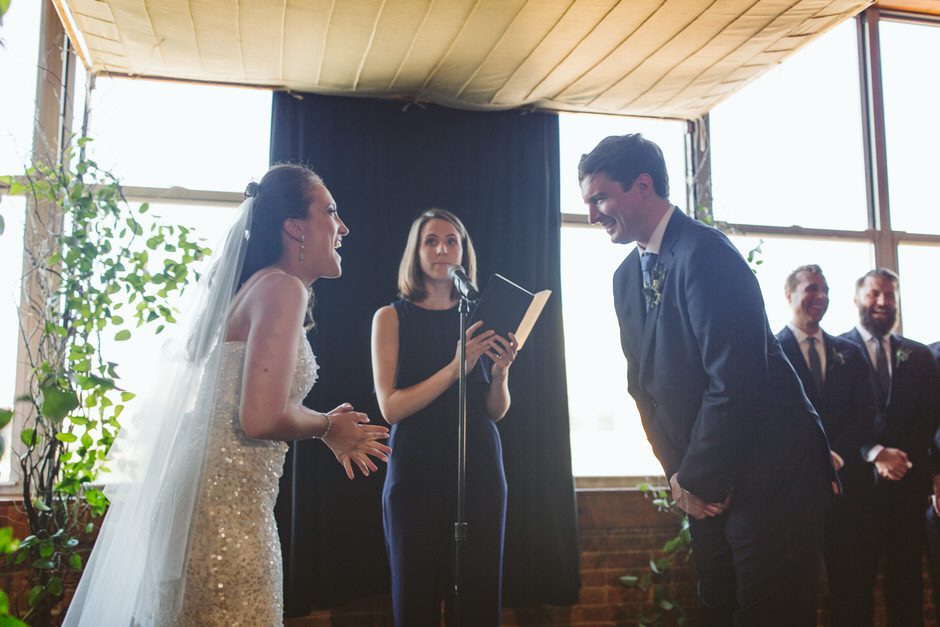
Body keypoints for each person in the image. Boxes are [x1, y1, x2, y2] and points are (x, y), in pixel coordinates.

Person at [64, 164, 392, 626]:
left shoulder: (257, 287)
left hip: (207, 499)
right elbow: (259, 418)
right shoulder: (282, 287)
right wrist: (326, 427)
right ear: (295, 227)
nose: (343, 227)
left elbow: (249, 405)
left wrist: (324, 423)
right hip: (224, 510)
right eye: (330, 212)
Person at [579, 134, 834, 627]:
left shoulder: (706, 252)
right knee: (716, 609)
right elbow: (643, 388)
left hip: (772, 477)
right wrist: (680, 478)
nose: (592, 215)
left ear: (643, 186)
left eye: (600, 198)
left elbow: (735, 380)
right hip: (704, 482)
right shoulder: (625, 276)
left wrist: (698, 479)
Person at [371, 208, 517, 627]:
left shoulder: (480, 318)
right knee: (414, 598)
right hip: (415, 469)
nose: (442, 250)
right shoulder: (391, 317)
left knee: (477, 600)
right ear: (415, 252)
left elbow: (495, 411)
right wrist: (456, 368)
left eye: (452, 241)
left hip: (479, 468)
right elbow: (390, 407)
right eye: (431, 241)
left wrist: (501, 374)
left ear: (463, 252)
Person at [775, 264, 879, 626]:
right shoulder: (770, 351)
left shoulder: (849, 352)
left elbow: (865, 412)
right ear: (789, 295)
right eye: (811, 289)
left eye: (825, 290)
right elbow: (771, 419)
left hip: (847, 489)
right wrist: (816, 459)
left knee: (853, 587)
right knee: (794, 590)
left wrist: (836, 454)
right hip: (794, 493)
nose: (820, 297)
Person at [840, 268, 940, 627]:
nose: (882, 302)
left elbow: (930, 414)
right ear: (857, 299)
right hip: (856, 493)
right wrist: (875, 453)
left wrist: (900, 459)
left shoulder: (919, 355)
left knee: (907, 586)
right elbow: (834, 417)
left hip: (907, 490)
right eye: (874, 294)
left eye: (889, 295)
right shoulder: (837, 351)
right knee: (854, 588)